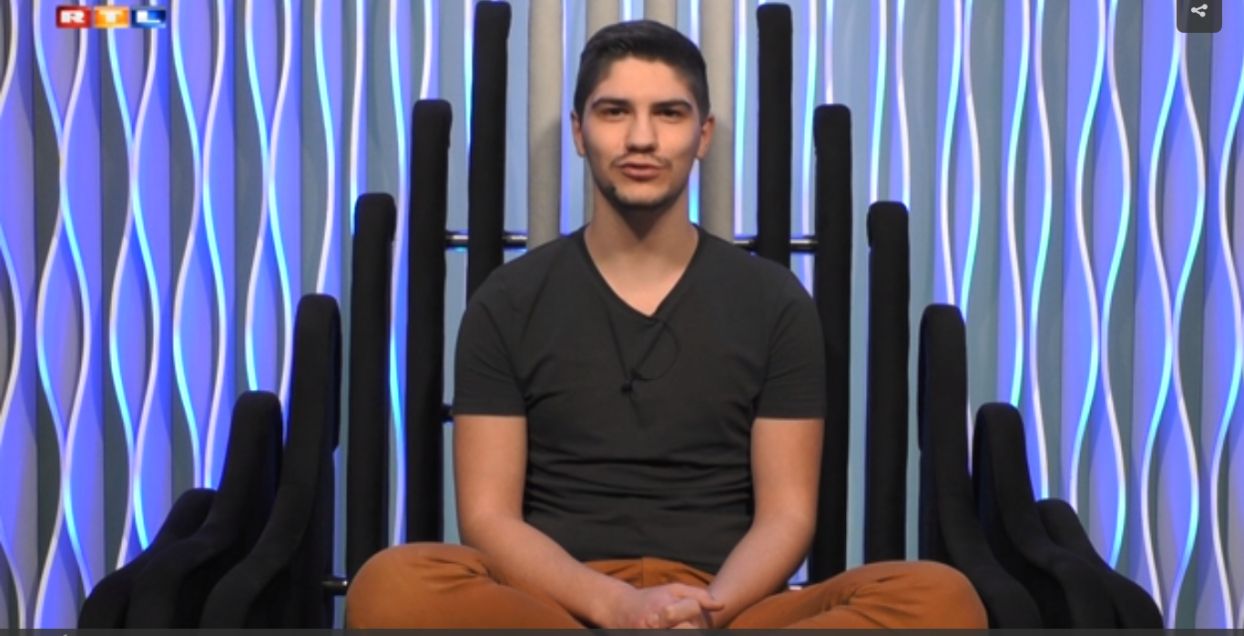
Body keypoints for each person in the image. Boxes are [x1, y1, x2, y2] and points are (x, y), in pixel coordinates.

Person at [345, 19, 986, 629]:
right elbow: (488, 519)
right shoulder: (506, 302)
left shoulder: (775, 302)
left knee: (938, 598)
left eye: (669, 113)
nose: (642, 139)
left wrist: (700, 614)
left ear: (703, 135)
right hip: (558, 605)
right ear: (579, 131)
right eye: (614, 111)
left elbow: (788, 516)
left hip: (724, 605)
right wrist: (619, 608)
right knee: (392, 585)